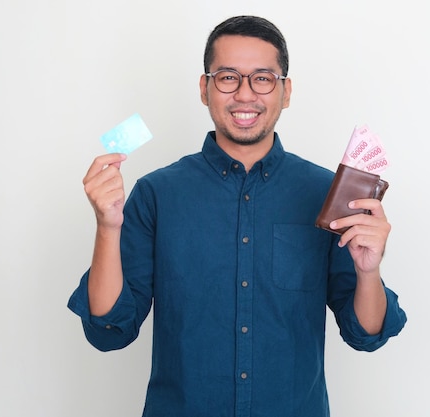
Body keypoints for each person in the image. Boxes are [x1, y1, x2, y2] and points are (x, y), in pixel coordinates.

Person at [68, 15, 407, 417]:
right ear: (204, 88)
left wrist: (369, 272)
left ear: (286, 91)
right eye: (228, 77)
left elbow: (366, 333)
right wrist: (107, 227)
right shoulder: (157, 193)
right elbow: (110, 331)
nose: (245, 94)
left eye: (263, 78)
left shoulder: (325, 194)